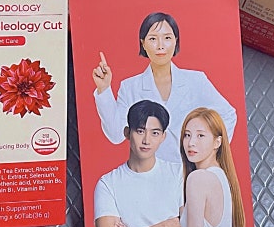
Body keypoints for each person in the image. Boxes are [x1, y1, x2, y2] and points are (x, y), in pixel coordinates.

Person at [93, 11, 237, 163]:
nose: (160, 46)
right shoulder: (130, 87)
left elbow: (228, 115)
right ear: (143, 43)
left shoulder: (196, 80)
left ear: (175, 41)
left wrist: (208, 154)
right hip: (151, 171)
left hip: (188, 170)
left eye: (167, 38)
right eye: (153, 39)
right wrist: (104, 89)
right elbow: (115, 135)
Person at [93, 100, 185, 227]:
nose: (146, 140)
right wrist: (165, 226)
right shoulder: (108, 183)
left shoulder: (178, 174)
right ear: (127, 133)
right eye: (140, 131)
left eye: (155, 133)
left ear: (163, 137)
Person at [178, 107, 246, 227]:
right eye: (187, 135)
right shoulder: (221, 177)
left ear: (217, 142)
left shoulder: (198, 178)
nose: (191, 143)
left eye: (200, 135)